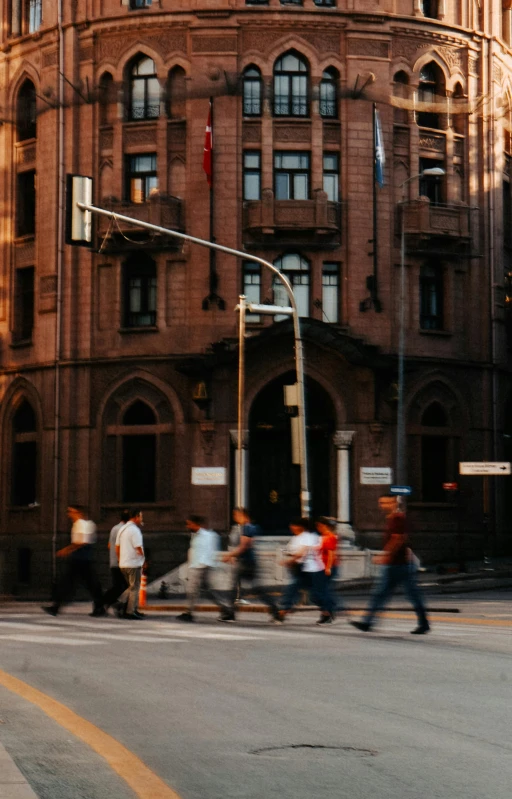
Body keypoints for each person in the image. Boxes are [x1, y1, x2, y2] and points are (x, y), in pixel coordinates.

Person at [350, 495, 430, 635]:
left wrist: (385, 555)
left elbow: (398, 539)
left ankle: (368, 622)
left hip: (399, 565)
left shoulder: (398, 518)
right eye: (381, 502)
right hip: (397, 564)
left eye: (386, 502)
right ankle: (367, 622)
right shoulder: (392, 519)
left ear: (394, 503)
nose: (382, 505)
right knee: (381, 594)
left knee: (405, 595)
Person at [219, 508, 280, 622]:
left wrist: (230, 555)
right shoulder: (252, 527)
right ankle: (274, 610)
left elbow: (244, 546)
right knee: (255, 589)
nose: (235, 517)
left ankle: (230, 614)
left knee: (235, 588)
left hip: (245, 562)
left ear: (243, 515)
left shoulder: (247, 528)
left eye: (236, 515)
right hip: (249, 561)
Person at [42, 506, 105, 617]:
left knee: (71, 583)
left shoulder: (82, 524)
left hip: (80, 558)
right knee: (88, 584)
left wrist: (66, 550)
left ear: (79, 513)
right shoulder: (82, 524)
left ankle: (56, 607)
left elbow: (82, 542)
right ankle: (100, 607)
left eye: (71, 511)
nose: (69, 514)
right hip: (82, 558)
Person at [279, 518, 334, 624]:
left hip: (315, 569)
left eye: (294, 525)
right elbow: (291, 551)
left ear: (301, 527)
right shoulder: (296, 538)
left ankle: (327, 611)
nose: (292, 527)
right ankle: (283, 611)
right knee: (292, 588)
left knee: (315, 594)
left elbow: (302, 552)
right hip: (302, 569)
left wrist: (290, 560)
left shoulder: (310, 537)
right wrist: (290, 557)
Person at [176, 515, 224, 622]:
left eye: (190, 524)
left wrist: (202, 565)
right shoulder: (195, 535)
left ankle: (188, 613)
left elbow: (210, 550)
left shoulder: (207, 535)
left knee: (192, 590)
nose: (188, 526)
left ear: (196, 524)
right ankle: (226, 608)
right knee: (207, 591)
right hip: (196, 566)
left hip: (200, 567)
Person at [116, 507, 145, 620]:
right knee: (134, 588)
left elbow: (116, 547)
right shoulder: (134, 530)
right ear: (136, 517)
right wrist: (143, 559)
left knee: (132, 587)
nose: (142, 519)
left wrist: (120, 560)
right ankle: (129, 611)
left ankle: (128, 606)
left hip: (124, 563)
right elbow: (138, 548)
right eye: (141, 516)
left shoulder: (122, 529)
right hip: (133, 563)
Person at [102, 510, 130, 615]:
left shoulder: (115, 528)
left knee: (119, 586)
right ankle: (113, 603)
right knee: (127, 587)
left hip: (114, 562)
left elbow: (110, 545)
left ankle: (109, 603)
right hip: (122, 562)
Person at [316, 517, 343, 623]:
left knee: (323, 590)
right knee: (322, 590)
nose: (318, 528)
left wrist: (328, 568)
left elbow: (331, 554)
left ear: (324, 526)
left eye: (319, 526)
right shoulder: (324, 536)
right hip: (323, 566)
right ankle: (329, 609)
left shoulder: (330, 537)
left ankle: (327, 612)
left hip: (329, 566)